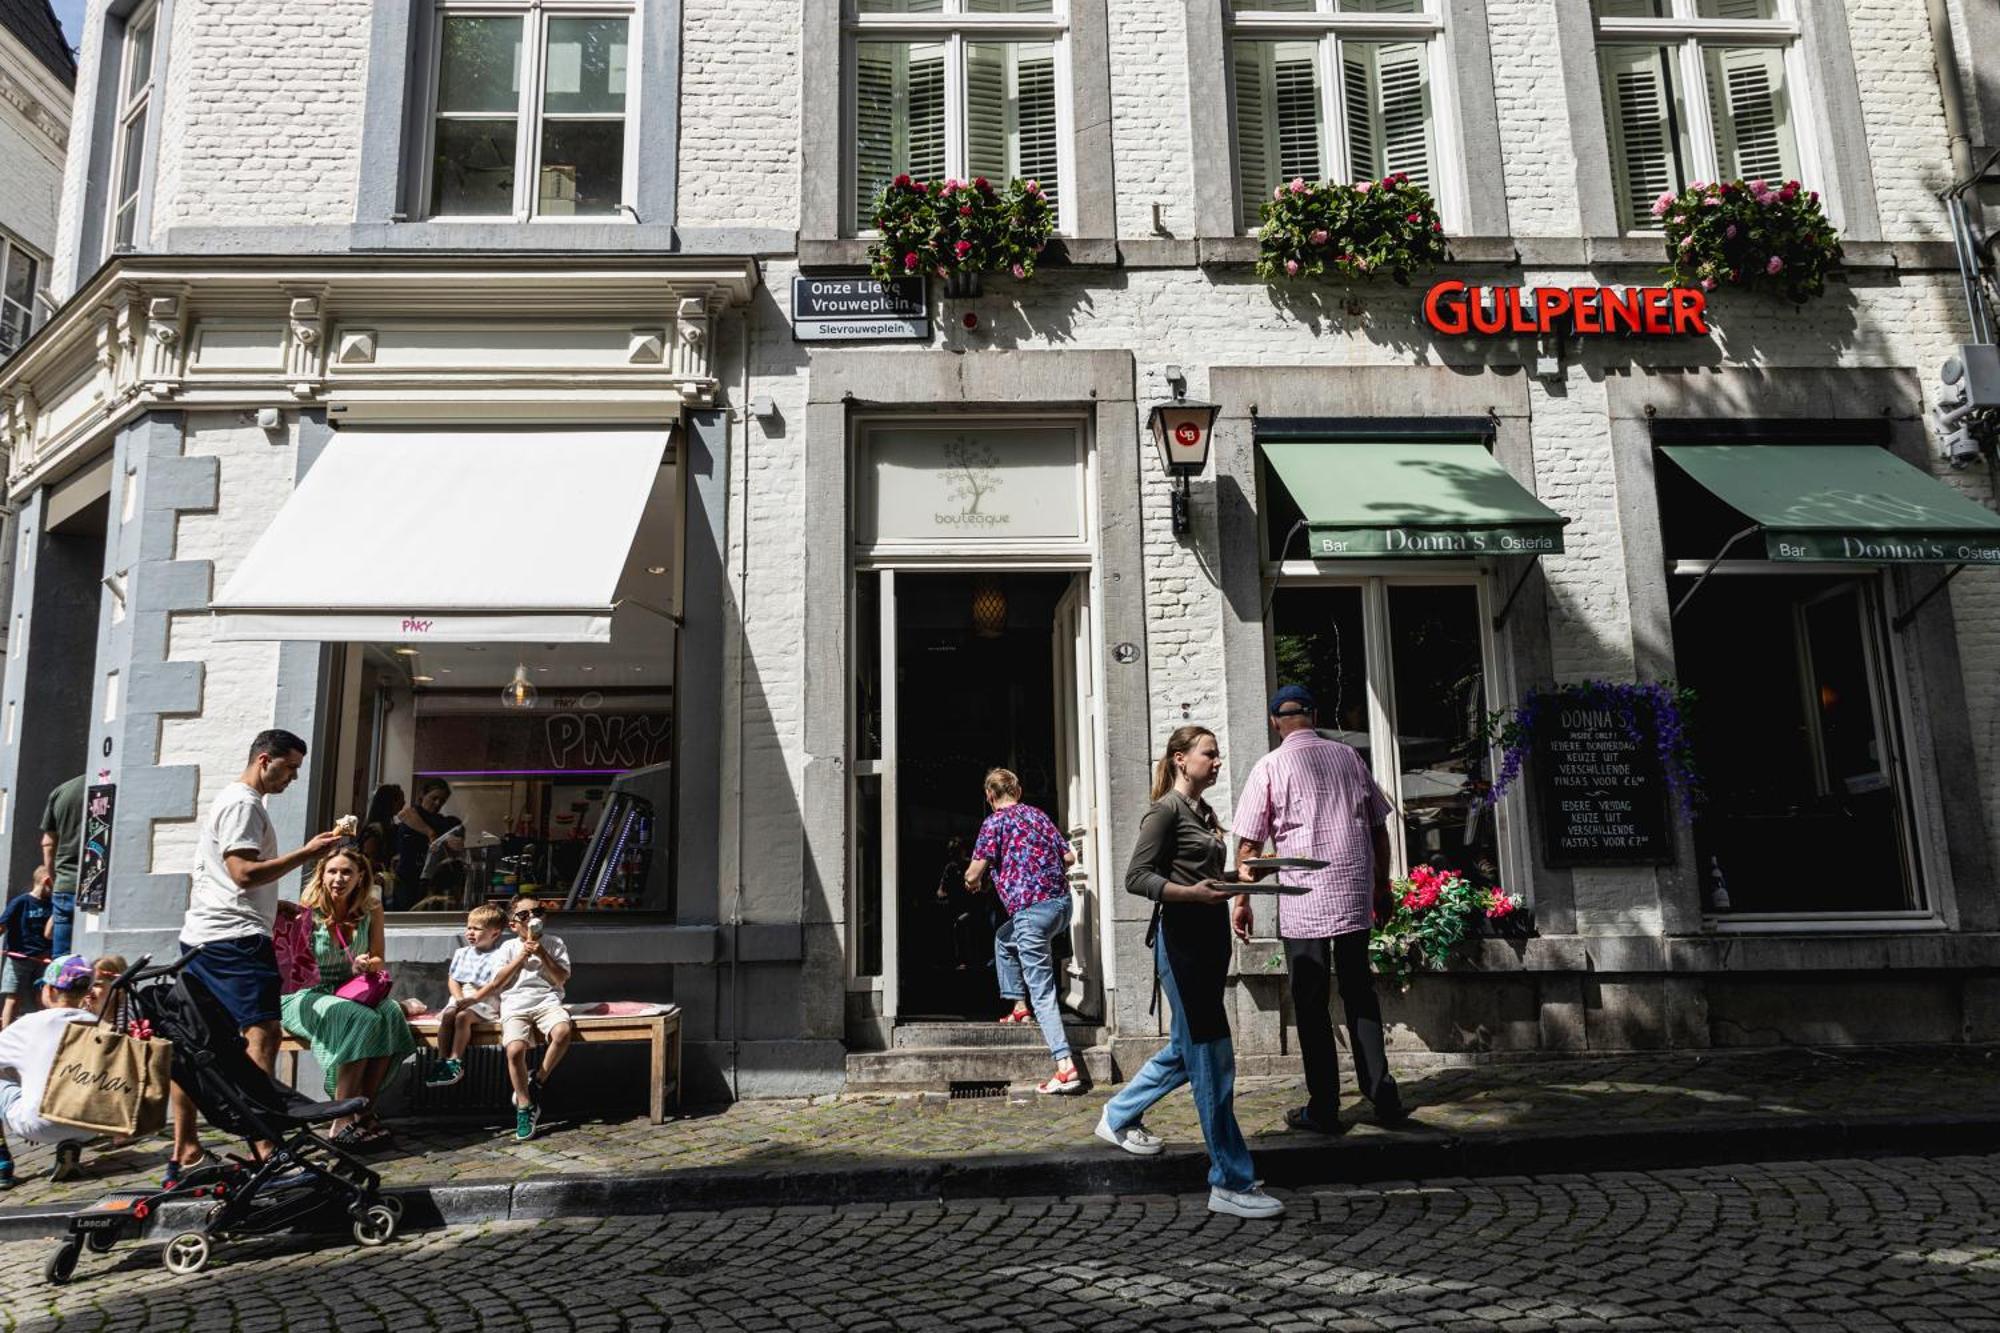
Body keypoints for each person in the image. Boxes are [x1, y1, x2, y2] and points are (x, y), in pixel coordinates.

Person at [1097, 725, 1283, 1221]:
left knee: (1187, 1050)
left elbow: (1201, 876)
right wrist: (1195, 895)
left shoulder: (1203, 814)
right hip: (1182, 947)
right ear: (1181, 759)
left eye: (1219, 755)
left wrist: (1241, 879)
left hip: (1208, 943)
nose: (1218, 762)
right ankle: (1231, 1180)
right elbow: (1137, 877)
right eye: (1210, 754)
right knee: (1213, 1061)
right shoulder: (1165, 811)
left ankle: (1116, 1115)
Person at [167, 729, 344, 1187]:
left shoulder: (234, 801)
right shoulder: (244, 804)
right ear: (265, 760)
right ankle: (265, 1145)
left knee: (199, 1048)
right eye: (290, 768)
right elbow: (242, 872)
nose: (293, 778)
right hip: (236, 941)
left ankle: (185, 1149)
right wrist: (308, 854)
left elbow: (222, 875)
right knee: (262, 1032)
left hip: (207, 935)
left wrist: (273, 903)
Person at [1233, 684, 1404, 1136]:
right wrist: (1381, 888)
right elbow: (1379, 830)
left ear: (1275, 722)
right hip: (1351, 896)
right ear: (1313, 714)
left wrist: (1242, 901)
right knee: (1359, 991)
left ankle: (1324, 1107)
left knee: (1311, 1002)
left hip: (1304, 903)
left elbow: (1249, 846)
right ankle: (1382, 1093)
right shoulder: (1349, 758)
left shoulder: (1270, 765)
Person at [279, 846, 417, 1146]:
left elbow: (380, 957)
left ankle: (364, 1109)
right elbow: (295, 967)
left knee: (391, 1013)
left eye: (346, 872)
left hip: (349, 990)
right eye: (332, 871)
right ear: (322, 875)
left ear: (360, 877)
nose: (338, 878)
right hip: (304, 995)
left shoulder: (371, 909)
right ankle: (340, 1119)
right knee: (359, 1017)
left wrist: (366, 964)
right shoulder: (306, 910)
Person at [964, 768, 1080, 1095]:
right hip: (1060, 906)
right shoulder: (1038, 816)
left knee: (1042, 989)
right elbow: (1069, 856)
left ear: (990, 796)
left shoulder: (994, 824)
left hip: (1031, 911)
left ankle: (1065, 1066)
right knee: (1003, 939)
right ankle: (1018, 1007)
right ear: (1018, 789)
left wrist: (971, 882)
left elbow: (974, 873)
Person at [0, 956, 102, 1189]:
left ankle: (1, 1162)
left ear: (51, 990)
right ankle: (70, 1146)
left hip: (40, 1123)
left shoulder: (31, 1024)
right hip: (95, 1125)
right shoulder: (98, 1023)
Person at [487, 894, 573, 1142]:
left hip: (547, 999)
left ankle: (537, 1081)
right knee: (514, 1050)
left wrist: (542, 953)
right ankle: (525, 1107)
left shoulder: (555, 943)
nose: (532, 918)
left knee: (562, 1032)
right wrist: (521, 957)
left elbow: (561, 978)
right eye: (524, 915)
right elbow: (497, 982)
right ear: (514, 924)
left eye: (537, 912)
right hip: (514, 1004)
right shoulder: (507, 948)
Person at [425, 904, 509, 1087]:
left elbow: (493, 984)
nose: (470, 932)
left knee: (462, 1018)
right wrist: (459, 998)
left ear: (494, 933)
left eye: (477, 929)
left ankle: (455, 1060)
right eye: (469, 927)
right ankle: (442, 1059)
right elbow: (453, 980)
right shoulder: (462, 953)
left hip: (485, 999)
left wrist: (472, 1000)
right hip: (462, 995)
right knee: (448, 1015)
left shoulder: (499, 956)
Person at [392, 779, 464, 911]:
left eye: (442, 801)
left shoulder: (443, 822)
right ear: (422, 795)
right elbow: (405, 814)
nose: (437, 803)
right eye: (434, 798)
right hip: (407, 880)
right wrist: (430, 833)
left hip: (431, 881)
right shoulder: (411, 816)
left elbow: (456, 829)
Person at [38, 774, 86, 957]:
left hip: (66, 885)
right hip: (103, 886)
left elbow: (48, 844)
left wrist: (56, 880)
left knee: (62, 962)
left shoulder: (63, 791)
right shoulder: (115, 781)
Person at [1, 869, 55, 1028]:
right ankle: (5, 1036)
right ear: (46, 881)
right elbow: (2, 925)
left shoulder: (52, 904)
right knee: (13, 998)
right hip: (18, 959)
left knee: (43, 997)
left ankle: (41, 1032)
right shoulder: (21, 902)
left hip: (43, 959)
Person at [357, 785, 406, 888]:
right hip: (375, 880)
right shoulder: (376, 828)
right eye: (400, 800)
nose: (404, 803)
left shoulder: (388, 826)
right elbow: (369, 856)